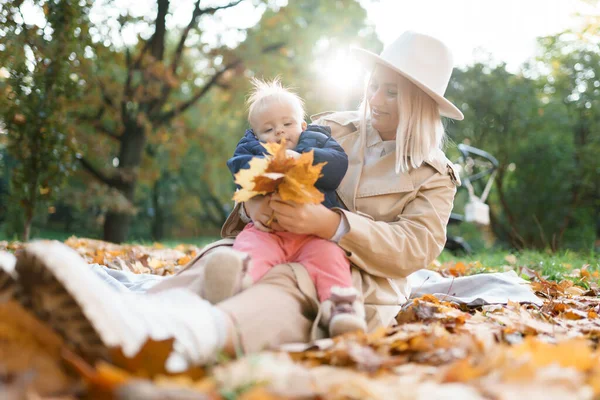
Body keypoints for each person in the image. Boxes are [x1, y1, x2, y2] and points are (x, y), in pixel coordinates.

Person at [3, 31, 463, 371]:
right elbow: (257, 166)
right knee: (224, 262)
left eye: (392, 91)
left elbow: (416, 248)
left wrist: (329, 224)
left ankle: (175, 340)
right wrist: (255, 208)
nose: (375, 98)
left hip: (354, 283)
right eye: (374, 84)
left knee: (287, 288)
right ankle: (90, 315)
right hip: (277, 235)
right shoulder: (329, 127)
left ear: (421, 103)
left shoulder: (434, 175)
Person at [203, 77, 367, 337]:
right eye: (267, 130)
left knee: (331, 260)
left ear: (302, 124)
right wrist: (271, 165)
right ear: (255, 134)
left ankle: (341, 308)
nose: (279, 132)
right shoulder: (251, 148)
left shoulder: (318, 141)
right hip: (268, 230)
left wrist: (302, 160)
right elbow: (240, 170)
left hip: (313, 234)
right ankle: (232, 279)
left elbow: (337, 167)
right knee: (250, 248)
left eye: (287, 124)